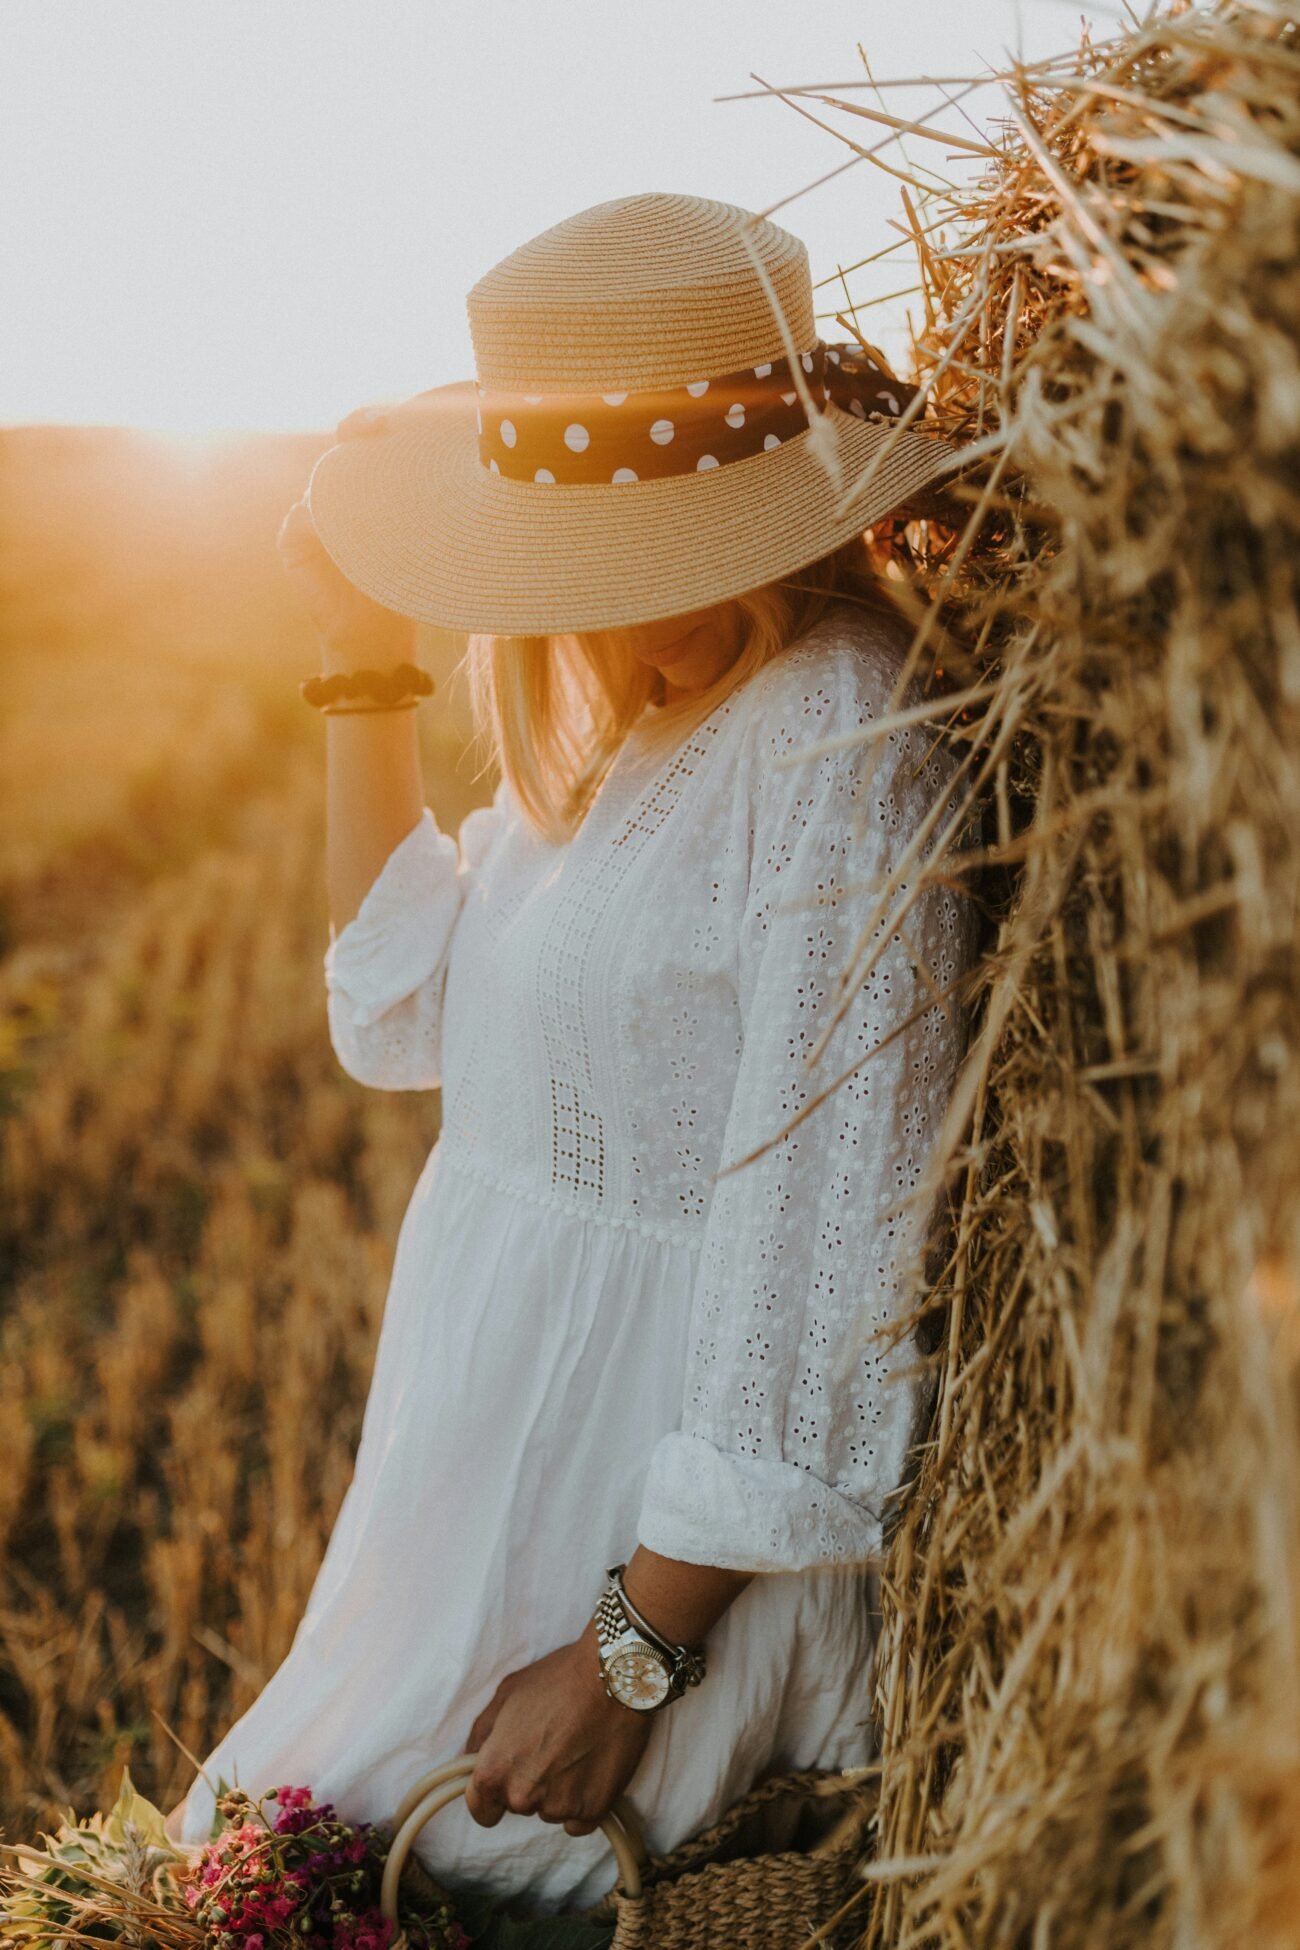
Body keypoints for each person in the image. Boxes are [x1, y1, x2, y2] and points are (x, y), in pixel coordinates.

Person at [164, 192, 980, 1915]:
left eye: (680, 548)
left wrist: (629, 1652)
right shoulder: (633, 723)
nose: (636, 601)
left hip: (645, 1562)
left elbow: (826, 1238)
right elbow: (395, 1008)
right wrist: (356, 659)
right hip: (470, 1519)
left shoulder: (839, 718)